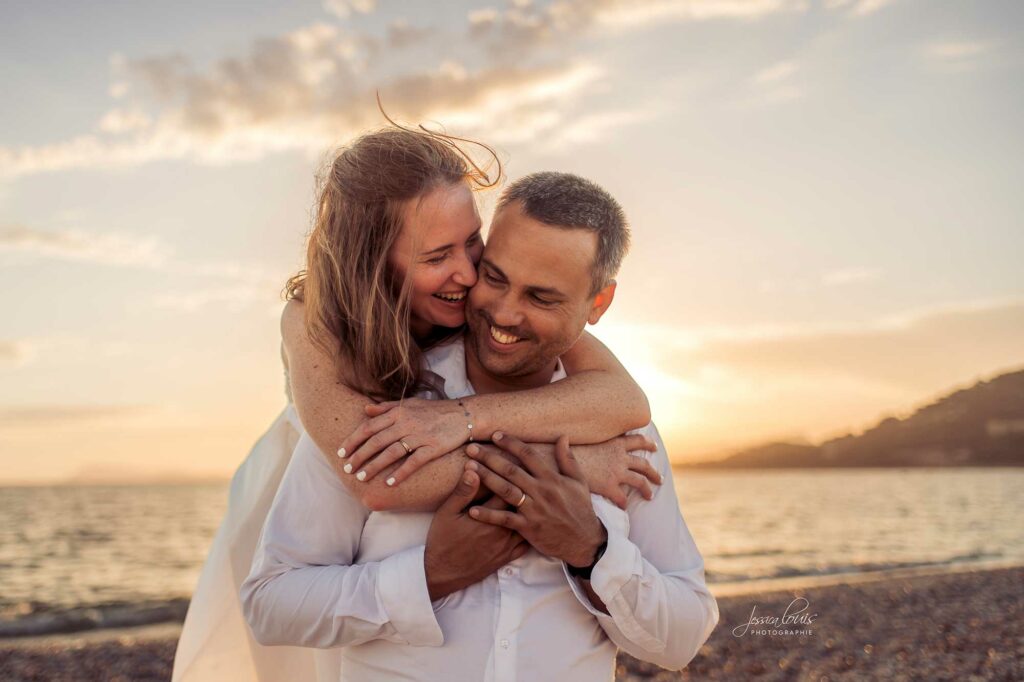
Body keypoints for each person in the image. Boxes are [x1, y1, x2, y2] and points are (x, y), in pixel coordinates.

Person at [172, 128, 661, 682]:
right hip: (313, 483)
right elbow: (382, 480)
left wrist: (462, 418)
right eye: (437, 256)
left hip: (428, 462)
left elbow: (624, 398)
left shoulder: (501, 308)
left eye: (471, 241)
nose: (471, 273)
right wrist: (576, 466)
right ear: (376, 263)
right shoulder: (314, 326)